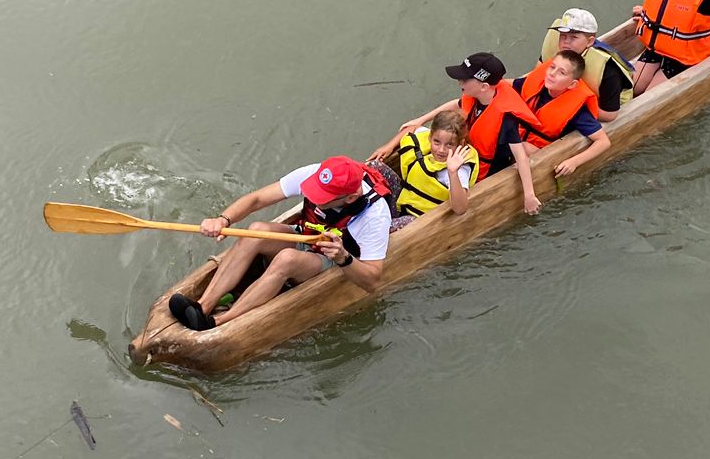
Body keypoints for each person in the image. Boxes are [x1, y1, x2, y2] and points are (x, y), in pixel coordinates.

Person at [166, 155, 393, 331]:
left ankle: (219, 322)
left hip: (334, 259)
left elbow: (372, 280)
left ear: (350, 198)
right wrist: (223, 219)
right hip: (305, 235)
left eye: (321, 197)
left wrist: (343, 258)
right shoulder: (316, 173)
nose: (313, 197)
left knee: (287, 259)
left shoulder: (374, 215)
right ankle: (203, 306)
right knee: (256, 231)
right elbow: (257, 199)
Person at [480, 52, 610, 214]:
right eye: (552, 67)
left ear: (572, 84)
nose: (552, 74)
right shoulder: (538, 84)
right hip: (515, 140)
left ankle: (490, 179)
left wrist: (574, 162)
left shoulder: (578, 111)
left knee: (522, 148)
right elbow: (510, 85)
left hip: (535, 149)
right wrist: (484, 88)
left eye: (561, 73)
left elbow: (603, 141)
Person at [538, 9, 636, 118]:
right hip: (570, 95)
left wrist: (569, 106)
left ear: (590, 41)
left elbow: (609, 115)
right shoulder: (556, 45)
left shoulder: (608, 70)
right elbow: (537, 73)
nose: (566, 41)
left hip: (604, 106)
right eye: (563, 35)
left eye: (574, 37)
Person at [386, 105, 479, 219]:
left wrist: (452, 172)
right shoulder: (430, 135)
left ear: (460, 144)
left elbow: (460, 209)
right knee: (374, 166)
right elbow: (414, 128)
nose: (441, 150)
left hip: (416, 217)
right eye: (437, 142)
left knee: (390, 230)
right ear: (430, 137)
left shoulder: (460, 170)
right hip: (403, 200)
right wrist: (389, 146)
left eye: (449, 144)